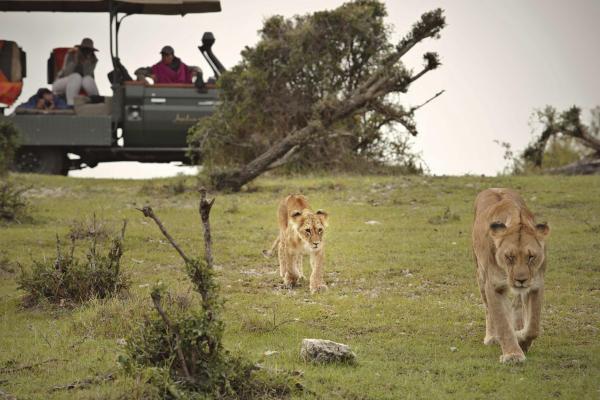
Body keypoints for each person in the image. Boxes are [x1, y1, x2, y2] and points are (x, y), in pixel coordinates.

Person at [52, 38, 99, 105]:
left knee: (87, 79)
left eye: (89, 50)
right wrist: (76, 59)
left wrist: (87, 61)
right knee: (76, 77)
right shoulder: (71, 55)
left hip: (81, 83)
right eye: (84, 49)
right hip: (62, 82)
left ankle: (97, 102)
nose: (86, 52)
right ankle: (71, 104)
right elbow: (66, 73)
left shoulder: (92, 60)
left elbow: (86, 73)